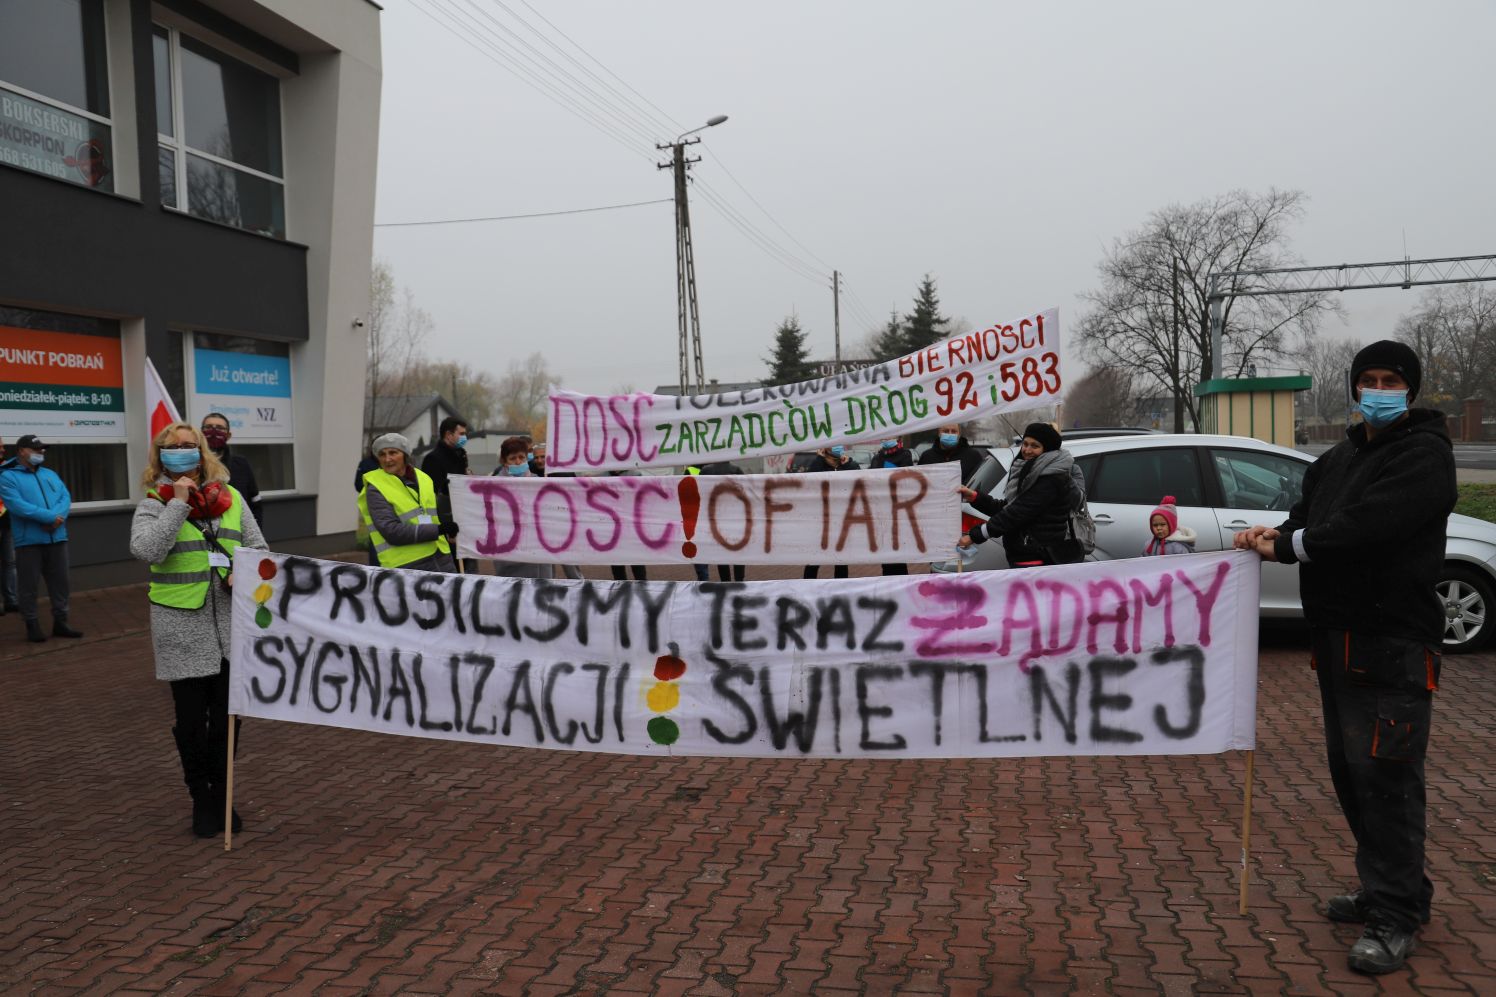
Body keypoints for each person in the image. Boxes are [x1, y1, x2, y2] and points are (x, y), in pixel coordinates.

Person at [1233, 340, 1454, 975]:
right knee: (1353, 775)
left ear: (1409, 389)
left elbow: (1367, 526)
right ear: (1355, 388)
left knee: (1387, 779)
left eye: (1391, 380)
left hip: (1393, 644)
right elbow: (1307, 517)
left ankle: (1396, 917)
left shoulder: (1424, 456)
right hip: (1337, 641)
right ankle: (1395, 889)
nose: (1378, 389)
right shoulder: (1336, 458)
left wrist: (1292, 547)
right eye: (1369, 380)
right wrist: (1269, 535)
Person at [129, 421, 267, 838]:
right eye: (174, 447)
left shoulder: (232, 499)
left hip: (229, 627)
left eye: (190, 446)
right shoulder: (153, 502)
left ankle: (223, 794)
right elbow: (147, 550)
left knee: (227, 721)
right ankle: (201, 798)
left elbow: (258, 550)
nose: (183, 452)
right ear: (161, 455)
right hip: (180, 627)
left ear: (202, 452)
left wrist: (240, 573)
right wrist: (179, 503)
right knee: (190, 722)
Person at [957, 422, 1085, 567]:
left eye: (1035, 446)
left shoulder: (1052, 478)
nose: (1027, 450)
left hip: (1038, 557)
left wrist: (976, 535)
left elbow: (1016, 512)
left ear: (1047, 449)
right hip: (1024, 555)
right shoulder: (1031, 472)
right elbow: (1008, 507)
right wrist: (974, 496)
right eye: (1025, 444)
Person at [0, 435, 82, 642]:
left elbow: (65, 497)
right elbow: (17, 505)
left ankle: (61, 622)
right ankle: (32, 624)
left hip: (57, 538)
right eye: (36, 449)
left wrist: (58, 517)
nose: (41, 453)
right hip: (29, 541)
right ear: (21, 451)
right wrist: (49, 517)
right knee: (28, 586)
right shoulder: (7, 477)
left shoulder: (50, 474)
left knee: (60, 583)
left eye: (43, 449)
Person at [357, 433, 456, 573]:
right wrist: (439, 530)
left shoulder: (423, 478)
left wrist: (450, 528)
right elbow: (392, 531)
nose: (387, 459)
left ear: (405, 455)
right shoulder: (375, 487)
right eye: (382, 454)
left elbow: (434, 513)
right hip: (407, 565)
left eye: (393, 452)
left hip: (440, 556)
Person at [421, 417, 478, 574]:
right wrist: (444, 525)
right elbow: (432, 496)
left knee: (469, 567)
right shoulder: (433, 459)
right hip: (447, 523)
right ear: (448, 434)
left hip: (463, 518)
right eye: (461, 433)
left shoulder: (460, 456)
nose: (465, 437)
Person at [487, 436, 548, 579]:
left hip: (537, 553)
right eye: (513, 458)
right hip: (509, 554)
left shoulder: (539, 482)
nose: (519, 462)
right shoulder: (493, 486)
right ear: (504, 461)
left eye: (522, 457)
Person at [802, 444, 859, 580]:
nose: (837, 447)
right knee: (815, 559)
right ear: (825, 448)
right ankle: (807, 586)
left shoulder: (847, 464)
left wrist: (847, 465)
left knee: (841, 560)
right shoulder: (819, 464)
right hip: (821, 521)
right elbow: (810, 480)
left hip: (841, 519)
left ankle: (840, 587)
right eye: (833, 444)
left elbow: (857, 477)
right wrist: (820, 459)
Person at [200, 413, 263, 528]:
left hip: (238, 534)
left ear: (228, 435)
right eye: (208, 427)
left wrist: (256, 537)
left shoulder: (241, 464)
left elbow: (255, 503)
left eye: (220, 428)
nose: (214, 431)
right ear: (200, 433)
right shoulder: (192, 465)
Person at [872, 438, 914, 575]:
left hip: (899, 512)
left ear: (898, 439)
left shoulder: (905, 455)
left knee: (899, 555)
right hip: (882, 514)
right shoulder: (877, 458)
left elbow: (906, 480)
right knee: (886, 557)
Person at [700, 460, 747, 582]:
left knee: (721, 552)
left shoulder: (706, 471)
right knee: (739, 551)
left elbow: (701, 492)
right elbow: (744, 493)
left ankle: (725, 581)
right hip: (735, 517)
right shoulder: (737, 470)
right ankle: (739, 581)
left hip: (715, 517)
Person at [917, 421, 986, 483]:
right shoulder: (927, 457)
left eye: (954, 431)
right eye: (946, 431)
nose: (950, 434)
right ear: (939, 433)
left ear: (959, 434)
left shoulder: (973, 456)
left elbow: (980, 483)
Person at [0, 436, 19, 616]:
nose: (3, 449)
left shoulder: (8, 467)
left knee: (10, 563)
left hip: (8, 522)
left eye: (3, 446)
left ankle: (11, 601)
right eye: (0, 446)